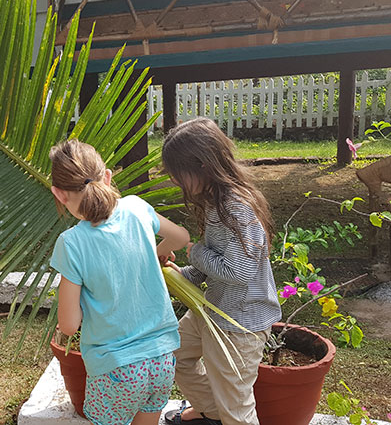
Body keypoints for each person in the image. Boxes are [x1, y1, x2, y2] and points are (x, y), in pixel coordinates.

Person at [49, 139, 191, 425]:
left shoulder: (71, 243)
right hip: (162, 358)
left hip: (116, 368)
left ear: (59, 194)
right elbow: (181, 237)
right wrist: (155, 253)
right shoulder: (137, 208)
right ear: (108, 176)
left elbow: (68, 325)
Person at [161, 118, 281, 425]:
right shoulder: (215, 201)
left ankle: (220, 412)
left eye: (179, 174)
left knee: (236, 409)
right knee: (172, 355)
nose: (176, 182)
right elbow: (218, 260)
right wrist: (185, 273)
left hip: (237, 325)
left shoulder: (236, 208)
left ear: (202, 165)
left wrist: (195, 251)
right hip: (214, 310)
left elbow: (238, 271)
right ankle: (209, 409)